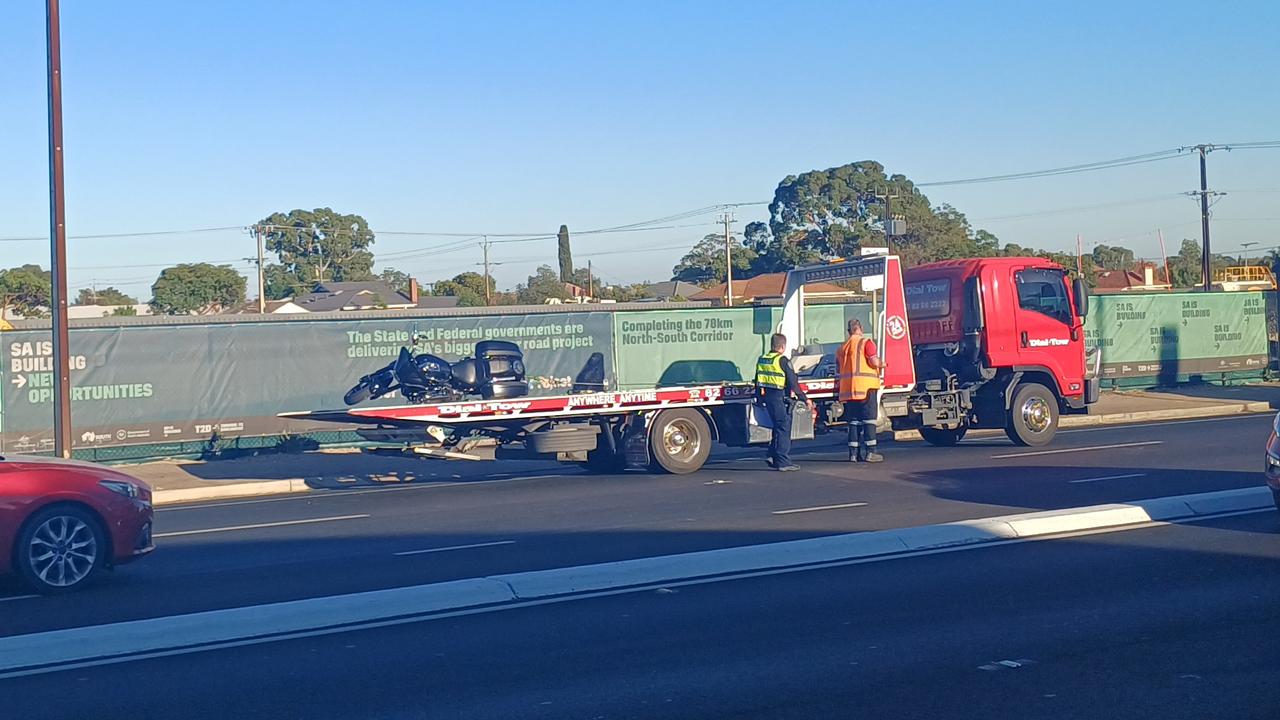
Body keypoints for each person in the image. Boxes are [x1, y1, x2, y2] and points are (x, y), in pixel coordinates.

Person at [755, 333, 811, 472]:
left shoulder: (763, 359)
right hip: (779, 397)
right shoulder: (783, 360)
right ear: (782, 346)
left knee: (777, 426)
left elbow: (757, 381)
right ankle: (783, 461)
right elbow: (793, 383)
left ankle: (772, 455)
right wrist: (805, 399)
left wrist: (759, 399)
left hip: (768, 397)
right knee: (783, 427)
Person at [836, 318, 883, 463]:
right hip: (866, 387)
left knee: (854, 422)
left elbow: (838, 368)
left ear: (848, 331)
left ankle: (853, 454)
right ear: (860, 328)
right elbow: (874, 361)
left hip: (848, 390)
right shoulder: (866, 343)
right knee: (869, 419)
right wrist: (883, 364)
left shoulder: (842, 348)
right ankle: (871, 452)